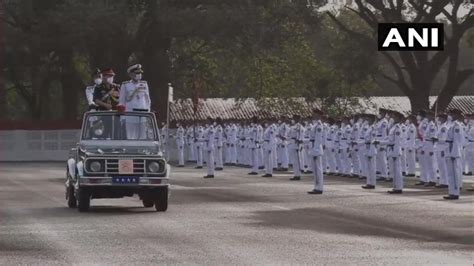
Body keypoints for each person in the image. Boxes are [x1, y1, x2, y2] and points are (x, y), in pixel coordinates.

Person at [443, 109, 465, 200]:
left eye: (451, 113)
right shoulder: (451, 125)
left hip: (453, 151)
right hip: (449, 149)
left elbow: (457, 141)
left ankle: (455, 193)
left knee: (454, 173)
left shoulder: (456, 126)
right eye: (449, 113)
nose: (450, 115)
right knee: (450, 174)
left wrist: (454, 153)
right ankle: (451, 192)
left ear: (456, 114)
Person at [308, 109, 325, 194]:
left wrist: (315, 150)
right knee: (315, 169)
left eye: (314, 113)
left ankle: (319, 188)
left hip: (316, 149)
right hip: (314, 148)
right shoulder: (315, 124)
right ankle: (316, 186)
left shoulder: (319, 125)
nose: (313, 115)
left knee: (318, 169)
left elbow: (318, 139)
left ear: (318, 115)